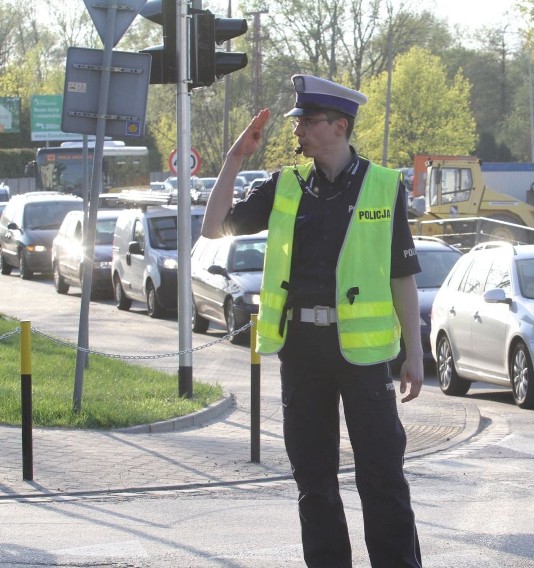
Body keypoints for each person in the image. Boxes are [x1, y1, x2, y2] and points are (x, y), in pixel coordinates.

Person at [202, 74, 423, 568]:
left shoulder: (384, 186)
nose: (297, 129)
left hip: (364, 357)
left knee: (382, 476)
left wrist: (415, 353)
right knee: (314, 480)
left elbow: (402, 276)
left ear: (339, 126)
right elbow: (213, 227)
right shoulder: (284, 186)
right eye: (298, 120)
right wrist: (235, 159)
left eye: (307, 120)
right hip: (302, 351)